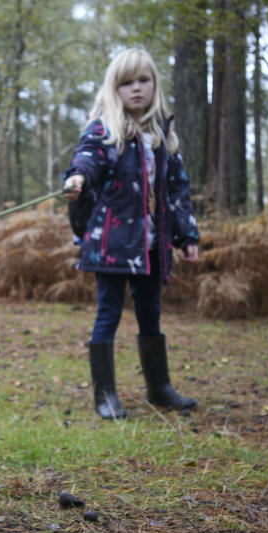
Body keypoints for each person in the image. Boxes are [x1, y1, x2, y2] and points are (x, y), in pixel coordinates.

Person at [62, 47, 200, 420]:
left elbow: (178, 193)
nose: (136, 89)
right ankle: (104, 395)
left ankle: (160, 388)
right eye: (127, 83)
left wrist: (187, 237)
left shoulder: (163, 138)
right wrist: (77, 178)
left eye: (143, 81)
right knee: (108, 312)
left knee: (150, 312)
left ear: (154, 85)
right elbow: (87, 159)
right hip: (112, 245)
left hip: (152, 246)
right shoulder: (106, 131)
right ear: (114, 88)